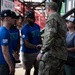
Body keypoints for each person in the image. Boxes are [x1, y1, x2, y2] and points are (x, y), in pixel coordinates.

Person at [37, 2, 67, 75]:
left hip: (52, 55)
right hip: (62, 54)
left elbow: (50, 35)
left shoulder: (52, 17)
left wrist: (42, 51)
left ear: (48, 9)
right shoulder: (61, 19)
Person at [21, 10, 42, 75]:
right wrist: (35, 46)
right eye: (30, 17)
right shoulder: (25, 29)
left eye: (33, 17)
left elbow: (39, 37)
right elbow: (26, 43)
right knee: (28, 70)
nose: (32, 19)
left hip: (37, 51)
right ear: (27, 18)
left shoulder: (37, 26)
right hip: (28, 53)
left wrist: (42, 46)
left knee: (37, 68)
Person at [0, 10, 15, 75]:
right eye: (12, 17)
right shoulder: (4, 32)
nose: (14, 19)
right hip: (4, 63)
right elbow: (5, 51)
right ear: (6, 18)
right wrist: (11, 65)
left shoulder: (5, 30)